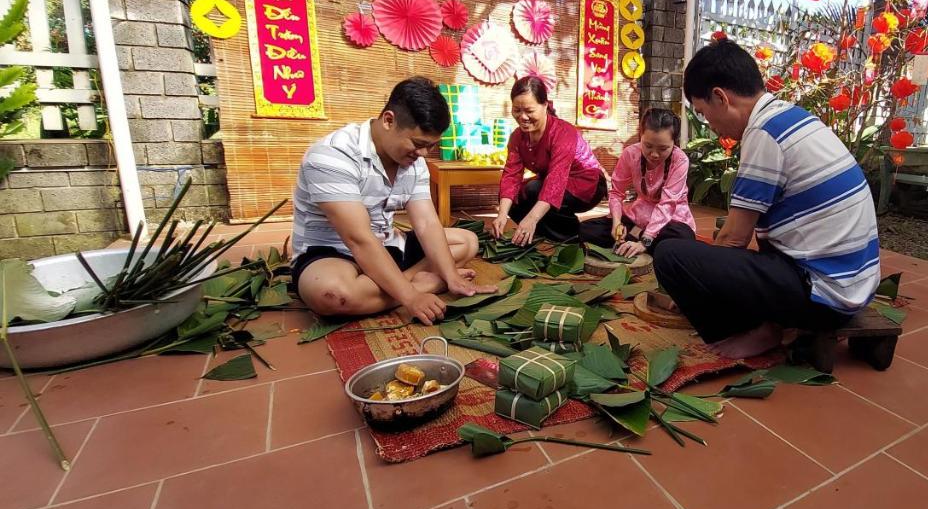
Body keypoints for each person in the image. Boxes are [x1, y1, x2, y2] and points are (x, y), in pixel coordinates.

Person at [653, 40, 881, 364]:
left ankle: (752, 331)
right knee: (677, 233)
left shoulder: (763, 133)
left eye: (704, 114)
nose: (711, 127)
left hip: (825, 298)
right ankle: (768, 322)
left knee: (669, 255)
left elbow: (734, 238)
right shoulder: (788, 116)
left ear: (721, 97)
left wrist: (698, 283)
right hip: (853, 285)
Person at [290, 77, 496, 325]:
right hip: (333, 252)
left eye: (430, 146)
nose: (422, 154)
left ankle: (403, 281)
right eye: (418, 144)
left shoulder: (414, 162)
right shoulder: (333, 155)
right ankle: (419, 282)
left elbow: (427, 224)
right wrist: (411, 296)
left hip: (386, 243)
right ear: (389, 120)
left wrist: (452, 278)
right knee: (332, 295)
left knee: (467, 241)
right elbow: (358, 239)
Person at [490, 76, 607, 245]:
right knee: (510, 196)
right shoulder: (517, 136)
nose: (522, 117)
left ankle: (572, 236)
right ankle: (544, 233)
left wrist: (531, 218)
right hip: (549, 183)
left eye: (529, 111)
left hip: (589, 184)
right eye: (517, 110)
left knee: (533, 189)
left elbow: (555, 181)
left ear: (545, 105)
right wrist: (502, 215)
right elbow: (511, 176)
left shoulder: (563, 132)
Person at [579, 108, 697, 257]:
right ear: (641, 135)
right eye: (648, 146)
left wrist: (645, 241)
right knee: (586, 229)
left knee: (681, 239)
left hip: (671, 220)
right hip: (639, 215)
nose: (654, 154)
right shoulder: (630, 154)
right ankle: (640, 239)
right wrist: (616, 223)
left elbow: (667, 204)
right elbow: (616, 193)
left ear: (674, 142)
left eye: (663, 148)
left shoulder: (680, 160)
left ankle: (638, 239)